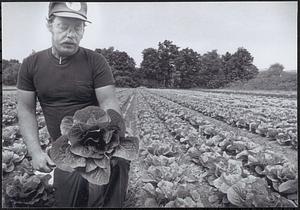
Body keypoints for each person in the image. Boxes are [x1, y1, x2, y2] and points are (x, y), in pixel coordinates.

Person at [17, 2, 130, 207]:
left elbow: (108, 102)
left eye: (77, 27)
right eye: (63, 26)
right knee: (70, 199)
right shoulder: (31, 64)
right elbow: (25, 109)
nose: (71, 34)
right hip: (64, 148)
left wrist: (110, 142)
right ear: (50, 25)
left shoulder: (96, 61)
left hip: (97, 143)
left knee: (119, 162)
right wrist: (35, 152)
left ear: (83, 30)